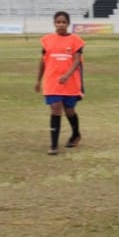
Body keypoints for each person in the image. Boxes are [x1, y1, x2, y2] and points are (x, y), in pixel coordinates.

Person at [36, 10, 85, 155]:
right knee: (56, 108)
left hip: (70, 82)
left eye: (64, 22)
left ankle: (76, 134)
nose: (61, 24)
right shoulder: (47, 40)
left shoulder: (76, 40)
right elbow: (43, 61)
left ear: (68, 24)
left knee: (69, 110)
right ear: (54, 23)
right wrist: (38, 80)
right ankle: (53, 145)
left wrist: (67, 75)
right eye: (58, 22)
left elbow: (77, 61)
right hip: (52, 81)